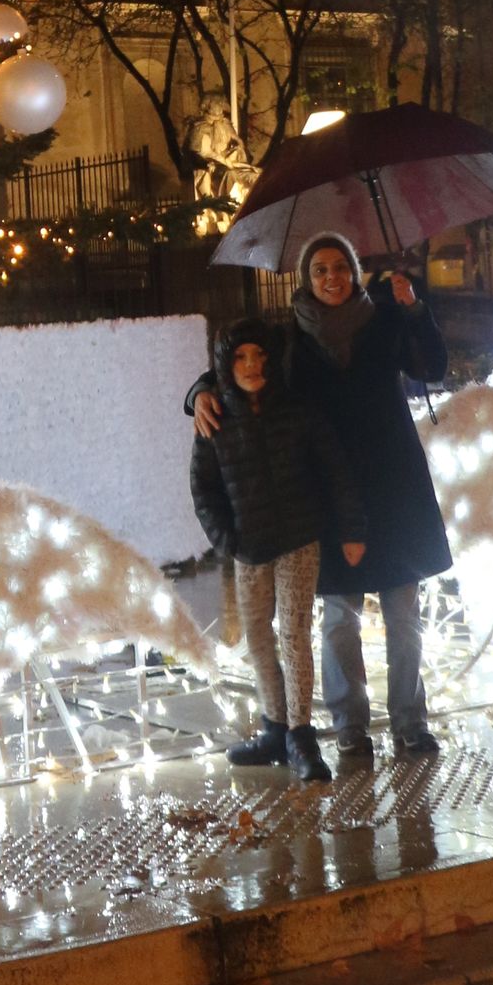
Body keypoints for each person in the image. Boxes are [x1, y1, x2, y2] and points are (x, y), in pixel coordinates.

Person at [195, 231, 450, 757]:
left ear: (354, 273)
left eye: (340, 267)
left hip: (395, 487)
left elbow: (431, 367)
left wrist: (414, 311)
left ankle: (409, 721)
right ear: (306, 280)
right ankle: (350, 726)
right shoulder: (290, 340)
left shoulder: (384, 321)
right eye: (320, 270)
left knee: (404, 617)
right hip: (330, 495)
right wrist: (197, 393)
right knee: (339, 621)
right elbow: (238, 366)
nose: (331, 278)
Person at [188, 320, 340, 783]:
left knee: (293, 634)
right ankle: (274, 725)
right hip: (249, 548)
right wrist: (227, 541)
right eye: (240, 358)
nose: (252, 365)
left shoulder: (296, 409)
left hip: (297, 541)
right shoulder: (215, 420)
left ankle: (301, 733)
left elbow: (330, 469)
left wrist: (341, 525)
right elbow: (204, 488)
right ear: (225, 367)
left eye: (259, 356)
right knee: (256, 635)